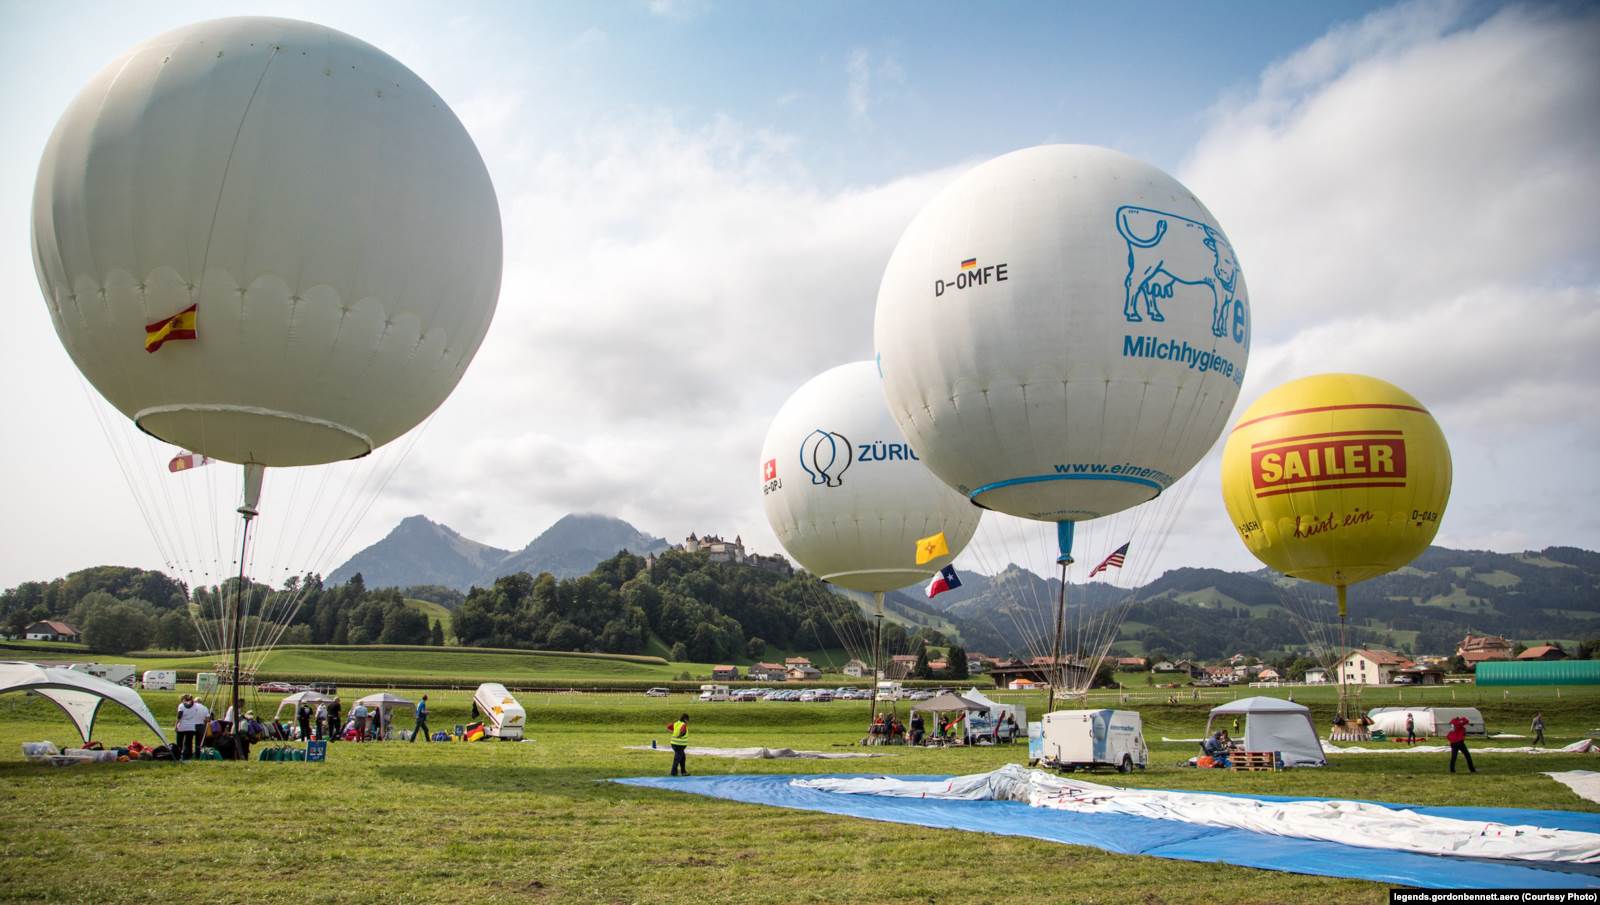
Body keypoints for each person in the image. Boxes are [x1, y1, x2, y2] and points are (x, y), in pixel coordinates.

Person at [175, 694, 204, 760]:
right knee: (188, 743)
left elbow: (179, 716)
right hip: (191, 726)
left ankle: (178, 755)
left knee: (179, 742)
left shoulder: (181, 706)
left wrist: (176, 725)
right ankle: (188, 756)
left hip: (182, 726)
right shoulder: (195, 706)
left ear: (183, 699)